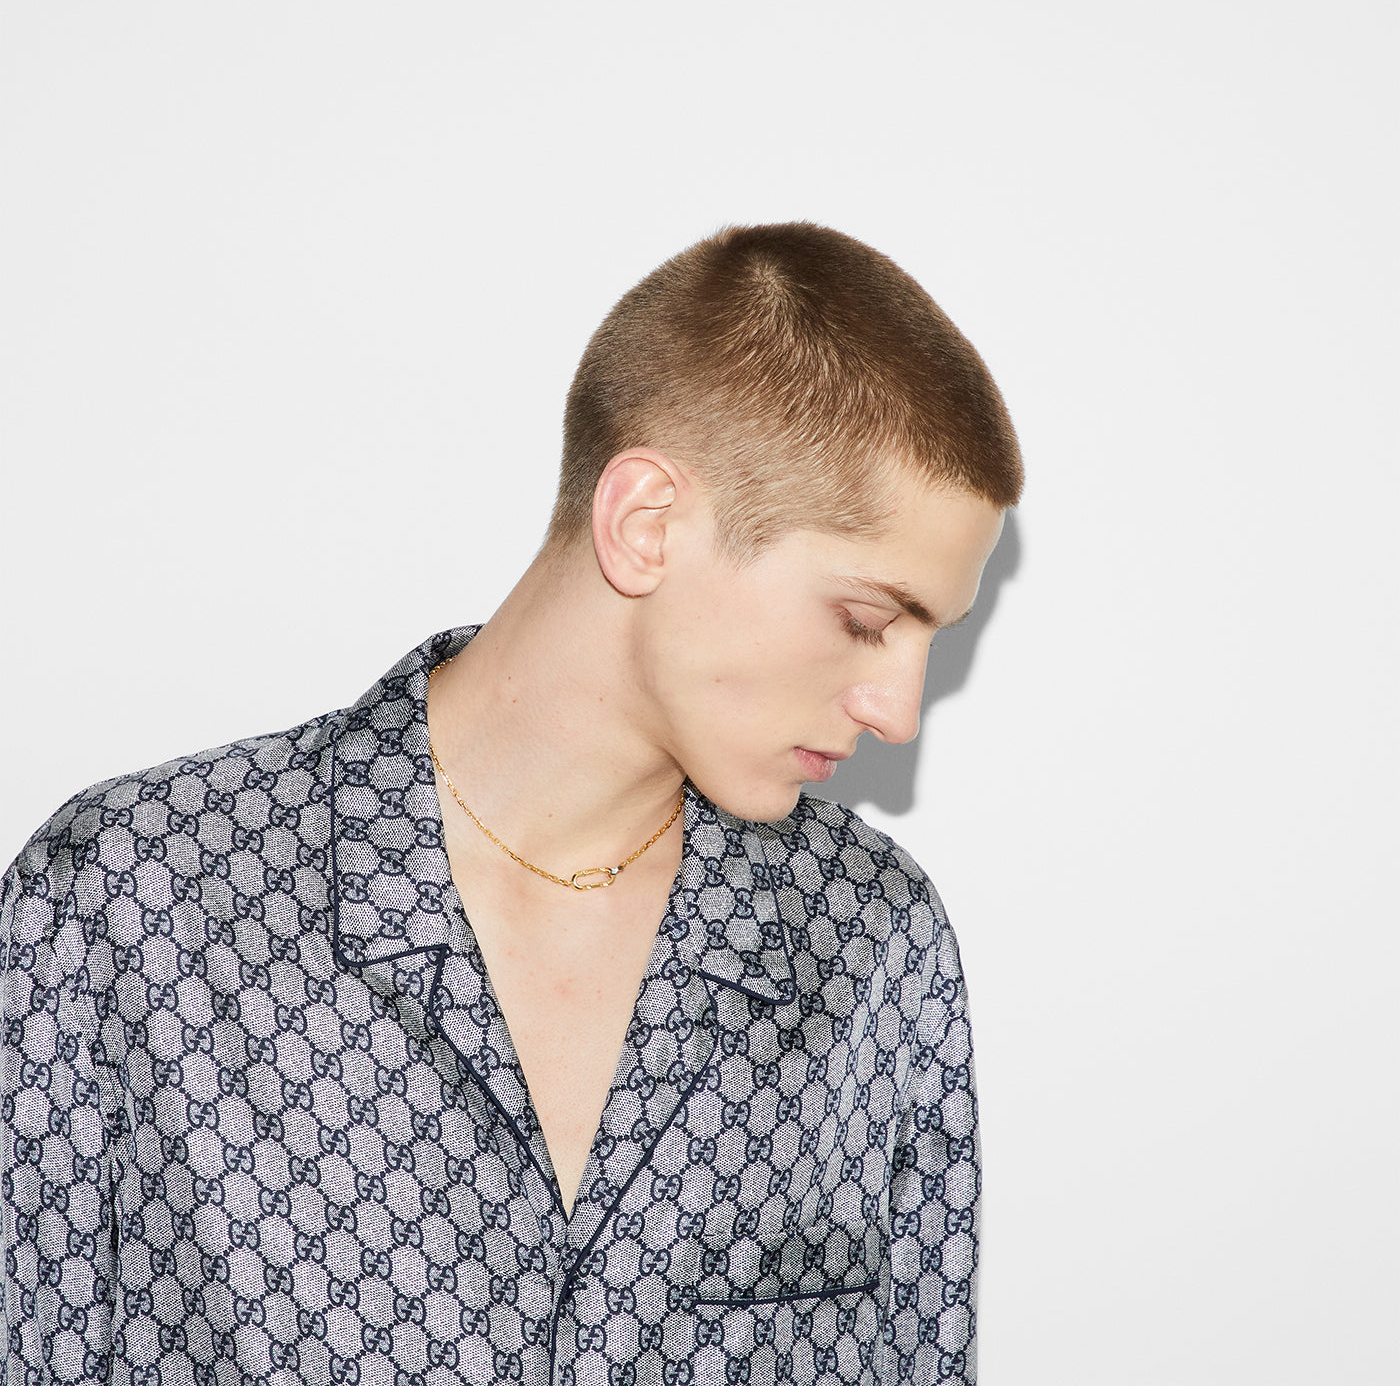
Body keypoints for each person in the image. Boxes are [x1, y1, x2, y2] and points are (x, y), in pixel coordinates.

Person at [1, 222, 1021, 1386]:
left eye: (931, 635)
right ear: (646, 524)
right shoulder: (127, 901)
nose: (898, 706)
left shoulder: (870, 936)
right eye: (862, 619)